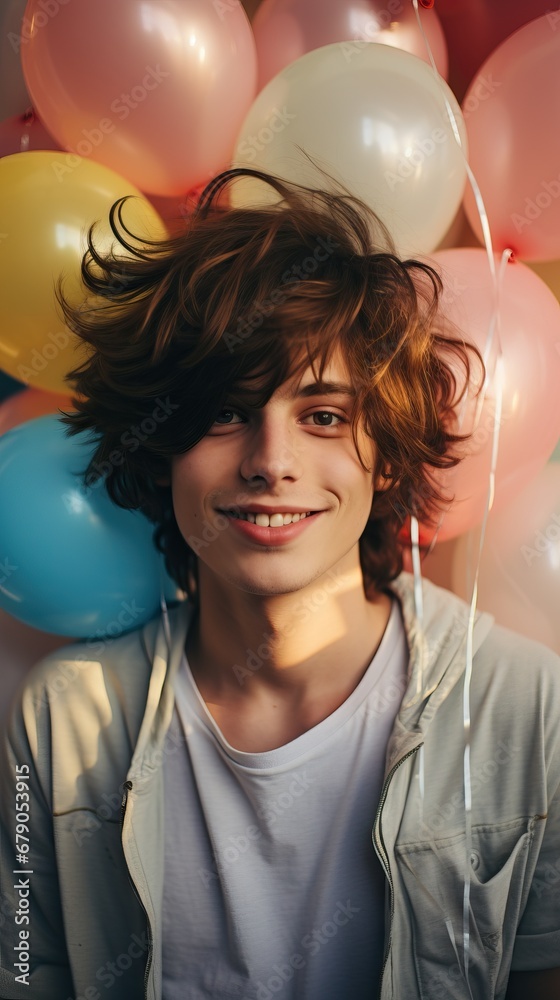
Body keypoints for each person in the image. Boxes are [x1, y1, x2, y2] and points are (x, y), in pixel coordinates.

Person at [0, 168, 559, 1000]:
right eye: (225, 412)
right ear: (162, 450)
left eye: (324, 415)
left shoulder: (528, 704)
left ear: (388, 451)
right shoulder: (60, 723)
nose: (270, 462)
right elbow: (21, 968)